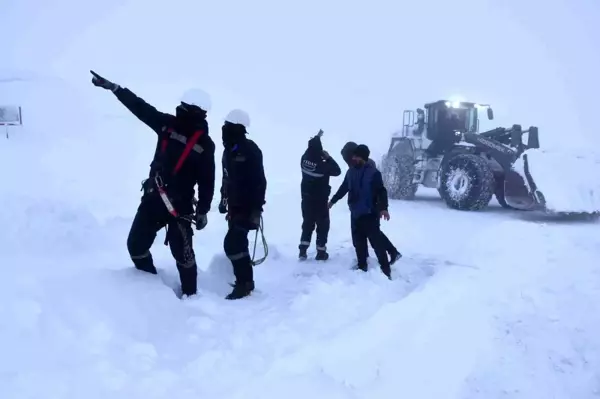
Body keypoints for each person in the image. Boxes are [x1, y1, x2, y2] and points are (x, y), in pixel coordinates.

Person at [90, 70, 215, 297]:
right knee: (136, 246)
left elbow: (207, 181)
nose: (182, 109)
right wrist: (116, 89)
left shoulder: (205, 144)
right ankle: (149, 289)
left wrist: (203, 211)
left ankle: (191, 297)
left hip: (181, 208)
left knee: (184, 256)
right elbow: (140, 108)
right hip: (154, 199)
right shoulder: (166, 124)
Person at [218, 109, 267, 300]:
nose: (224, 129)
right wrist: (223, 200)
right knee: (239, 244)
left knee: (232, 244)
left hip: (247, 206)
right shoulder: (227, 152)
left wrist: (256, 209)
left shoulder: (250, 150)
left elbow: (260, 181)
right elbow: (226, 178)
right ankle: (246, 282)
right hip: (234, 206)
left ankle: (243, 284)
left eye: (228, 126)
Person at [329, 144, 392, 278]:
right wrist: (332, 201)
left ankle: (386, 271)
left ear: (363, 157)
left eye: (356, 156)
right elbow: (343, 188)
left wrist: (383, 208)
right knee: (359, 243)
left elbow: (381, 191)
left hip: (370, 214)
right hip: (356, 213)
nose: (353, 158)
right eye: (353, 156)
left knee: (377, 244)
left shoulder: (374, 173)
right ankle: (362, 267)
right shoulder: (350, 172)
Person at [340, 141, 401, 264]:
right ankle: (385, 253)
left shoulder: (368, 167)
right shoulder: (355, 166)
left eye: (348, 158)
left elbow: (378, 189)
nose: (348, 161)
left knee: (372, 235)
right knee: (370, 234)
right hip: (358, 207)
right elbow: (347, 186)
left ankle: (386, 256)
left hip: (369, 208)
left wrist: (382, 207)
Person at [298, 130, 342, 260]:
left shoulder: (304, 159)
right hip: (320, 201)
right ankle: (321, 252)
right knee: (323, 226)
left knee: (307, 224)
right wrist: (328, 158)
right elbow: (337, 171)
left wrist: (316, 139)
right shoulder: (323, 165)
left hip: (306, 199)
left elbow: (310, 150)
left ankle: (302, 251)